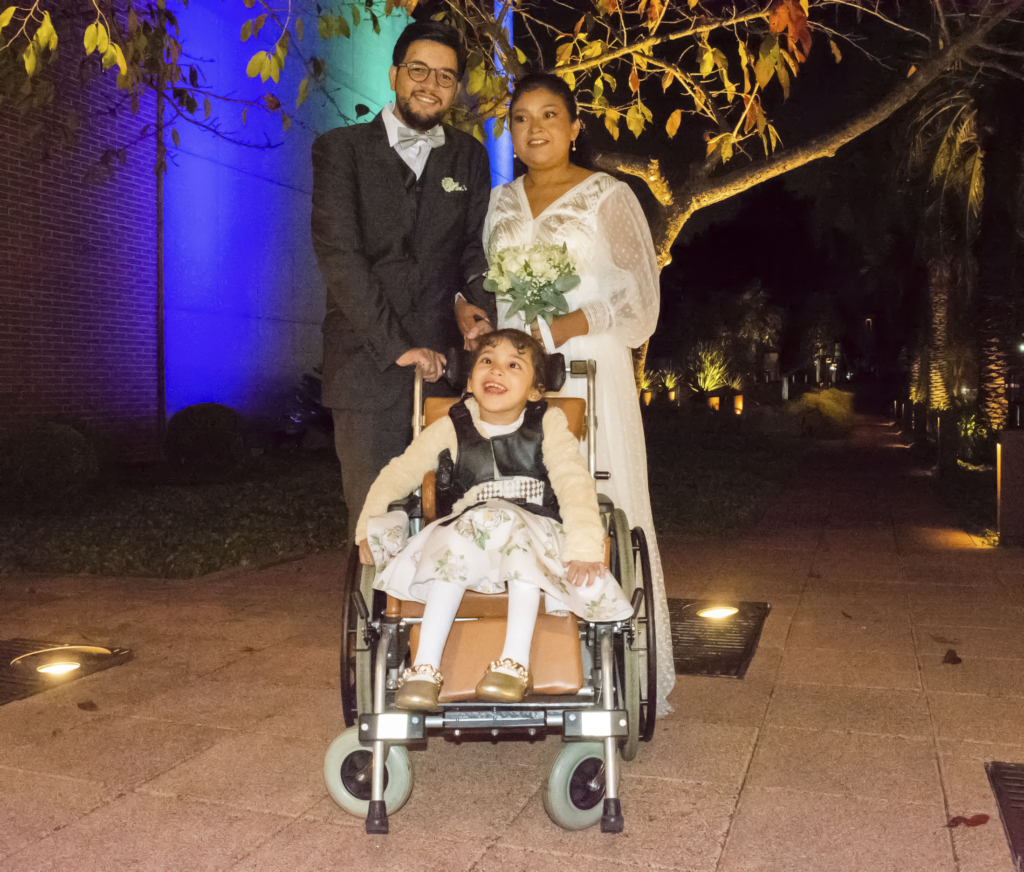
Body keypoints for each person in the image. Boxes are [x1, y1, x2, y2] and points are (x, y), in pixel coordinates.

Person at [483, 73, 675, 710]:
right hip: (519, 376)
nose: (533, 129)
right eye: (519, 118)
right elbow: (494, 291)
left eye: (549, 115)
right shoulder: (500, 201)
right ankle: (527, 656)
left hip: (589, 363)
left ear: (574, 127)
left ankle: (614, 667)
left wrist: (567, 325)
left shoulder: (607, 195)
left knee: (599, 502)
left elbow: (638, 298)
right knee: (525, 499)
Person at [355, 329, 633, 711]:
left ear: (536, 390)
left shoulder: (547, 424)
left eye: (512, 365)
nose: (496, 371)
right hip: (470, 532)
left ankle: (515, 663)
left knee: (514, 538)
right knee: (451, 554)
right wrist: (368, 521)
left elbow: (573, 483)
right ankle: (423, 669)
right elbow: (399, 473)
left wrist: (585, 545)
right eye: (486, 361)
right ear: (470, 381)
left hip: (532, 526)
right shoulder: (452, 425)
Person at [311, 20, 494, 545]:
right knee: (376, 520)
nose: (429, 84)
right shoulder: (339, 149)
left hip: (446, 374)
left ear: (456, 88)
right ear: (394, 74)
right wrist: (399, 347)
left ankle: (437, 627)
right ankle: (381, 628)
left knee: (453, 518)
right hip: (366, 367)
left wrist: (471, 305)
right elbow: (339, 256)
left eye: (444, 75)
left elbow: (472, 251)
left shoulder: (470, 156)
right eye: (418, 69)